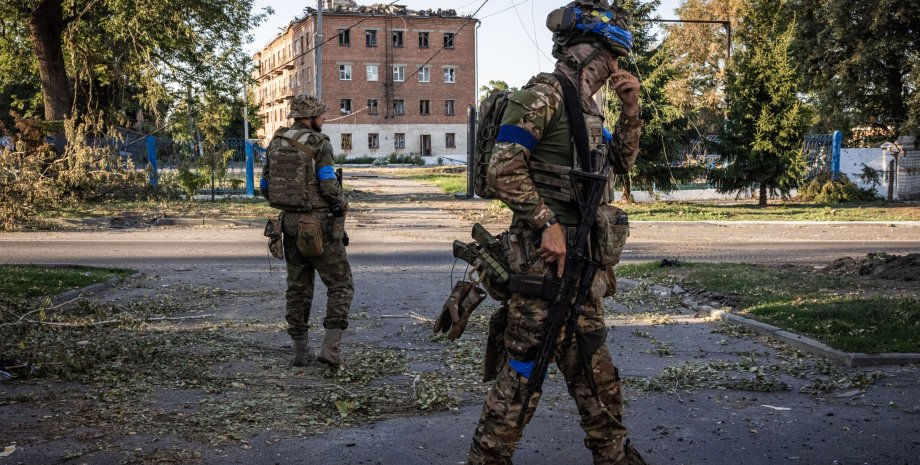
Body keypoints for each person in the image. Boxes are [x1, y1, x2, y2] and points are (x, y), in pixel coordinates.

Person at [466, 1, 645, 464]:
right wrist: (547, 223)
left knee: (596, 373)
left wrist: (630, 111)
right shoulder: (543, 96)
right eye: (610, 58)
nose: (614, 68)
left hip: (582, 269)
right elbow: (501, 168)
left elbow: (620, 165)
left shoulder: (587, 109)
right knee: (523, 372)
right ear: (585, 52)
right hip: (544, 268)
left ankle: (615, 455)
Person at [261, 95, 352, 368]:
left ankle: (300, 351)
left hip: (288, 224)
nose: (323, 120)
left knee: (298, 288)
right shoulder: (319, 143)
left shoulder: (276, 142)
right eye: (321, 115)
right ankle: (331, 350)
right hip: (319, 225)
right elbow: (327, 183)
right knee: (341, 284)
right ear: (310, 117)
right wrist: (341, 202)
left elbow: (265, 186)